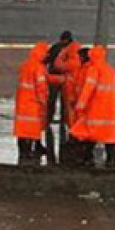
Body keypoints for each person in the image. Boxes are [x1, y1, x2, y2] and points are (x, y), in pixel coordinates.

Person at [69, 45, 115, 166]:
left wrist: (80, 105)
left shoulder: (94, 69)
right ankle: (111, 160)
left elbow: (88, 89)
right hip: (109, 110)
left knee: (84, 133)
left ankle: (84, 158)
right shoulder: (110, 70)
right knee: (108, 136)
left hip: (95, 108)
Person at [14, 42, 50, 165]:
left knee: (22, 131)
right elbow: (41, 87)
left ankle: (23, 152)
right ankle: (29, 152)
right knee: (32, 130)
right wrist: (44, 101)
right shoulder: (39, 68)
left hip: (22, 103)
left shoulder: (25, 65)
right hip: (32, 104)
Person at [43, 31, 75, 163]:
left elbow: (46, 60)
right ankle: (63, 119)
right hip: (65, 79)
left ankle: (49, 119)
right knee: (64, 101)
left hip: (55, 78)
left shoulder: (56, 47)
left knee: (53, 100)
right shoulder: (73, 50)